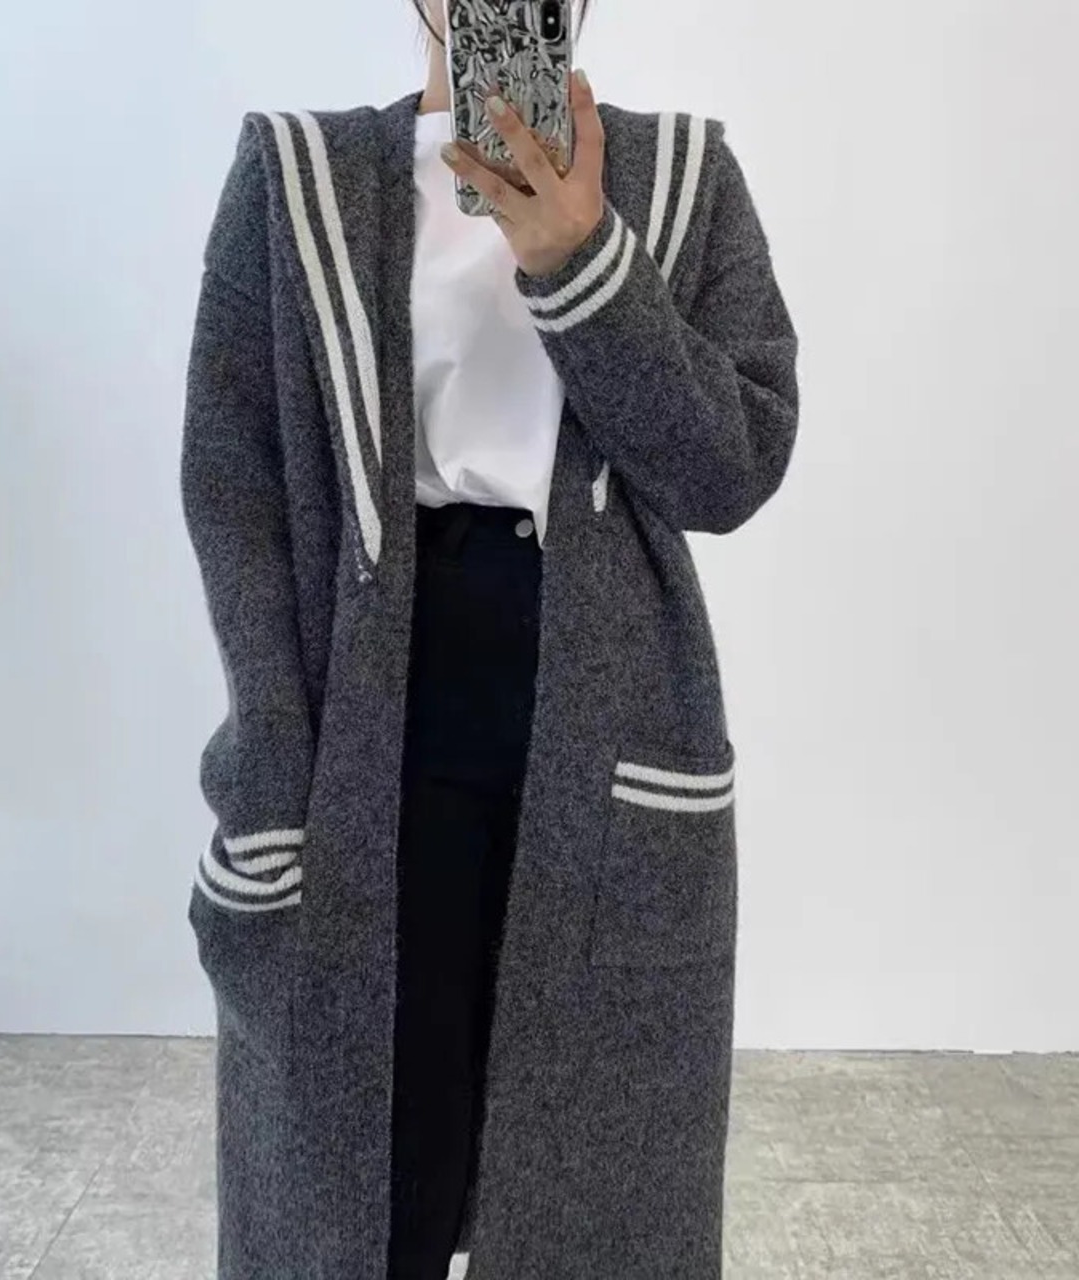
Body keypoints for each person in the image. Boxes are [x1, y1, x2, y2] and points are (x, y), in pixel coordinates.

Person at [179, 1, 800, 1276]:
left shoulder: (684, 173)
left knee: (585, 1187)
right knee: (374, 1182)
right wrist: (266, 778)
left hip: (605, 719)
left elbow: (731, 467)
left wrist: (583, 260)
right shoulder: (292, 174)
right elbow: (234, 494)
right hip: (369, 714)